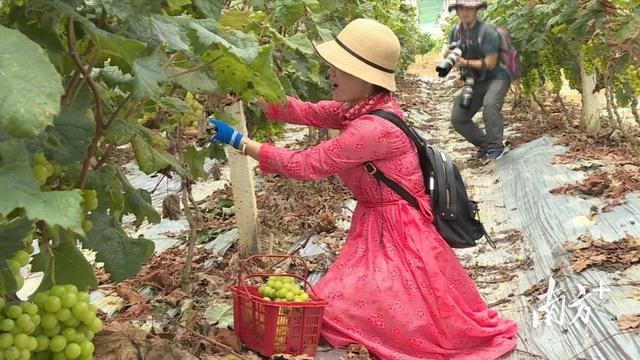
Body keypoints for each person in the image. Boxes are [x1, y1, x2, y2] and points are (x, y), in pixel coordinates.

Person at [210, 18, 518, 360]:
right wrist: (253, 94)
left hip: (399, 232)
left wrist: (239, 141)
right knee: (349, 304)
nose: (331, 73)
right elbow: (306, 111)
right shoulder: (361, 108)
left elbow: (307, 164)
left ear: (367, 78)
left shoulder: (372, 129)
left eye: (341, 68)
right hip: (380, 223)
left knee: (360, 312)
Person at [447, 0, 511, 160]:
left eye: (469, 8)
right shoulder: (455, 32)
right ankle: (485, 144)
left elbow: (490, 64)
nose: (465, 12)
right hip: (475, 80)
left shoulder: (488, 32)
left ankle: (496, 147)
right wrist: (450, 57)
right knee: (458, 117)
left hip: (497, 77)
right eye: (461, 8)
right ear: (456, 11)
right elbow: (452, 54)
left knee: (490, 105)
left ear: (476, 10)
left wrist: (464, 62)